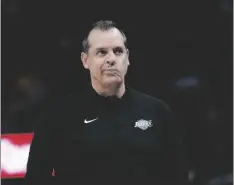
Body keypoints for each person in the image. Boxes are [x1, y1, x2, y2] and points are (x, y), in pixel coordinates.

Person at [25, 20, 188, 185]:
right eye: (101, 52)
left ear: (128, 58)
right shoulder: (59, 116)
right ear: (85, 60)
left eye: (118, 51)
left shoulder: (157, 112)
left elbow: (178, 177)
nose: (111, 59)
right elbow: (36, 179)